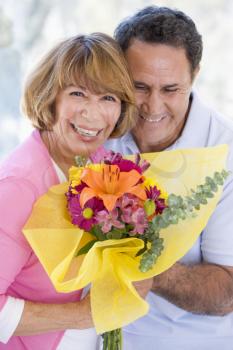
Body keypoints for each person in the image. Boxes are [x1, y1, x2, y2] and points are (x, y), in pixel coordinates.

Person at [0, 32, 153, 349]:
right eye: (78, 93)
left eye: (108, 98)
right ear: (49, 97)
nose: (92, 113)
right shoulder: (18, 187)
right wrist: (84, 315)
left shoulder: (102, 165)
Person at [105, 6, 233, 349]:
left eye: (171, 89)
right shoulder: (98, 127)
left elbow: (228, 291)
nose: (152, 106)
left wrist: (144, 266)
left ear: (195, 75)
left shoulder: (225, 151)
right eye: (140, 86)